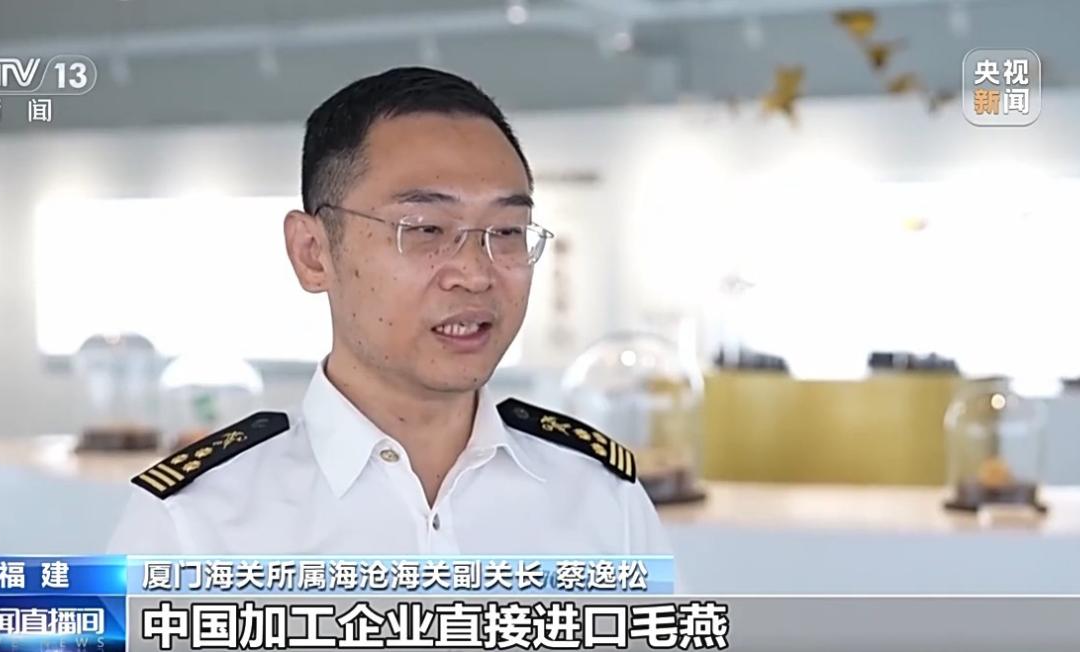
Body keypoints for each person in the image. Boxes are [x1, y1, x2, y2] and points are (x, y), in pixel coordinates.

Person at [107, 66, 672, 556]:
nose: (475, 273)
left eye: (506, 231)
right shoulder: (192, 522)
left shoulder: (604, 499)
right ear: (313, 253)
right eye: (425, 229)